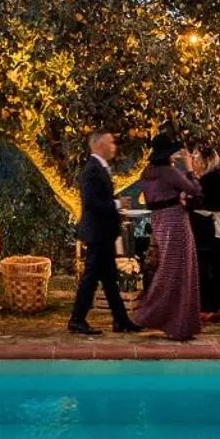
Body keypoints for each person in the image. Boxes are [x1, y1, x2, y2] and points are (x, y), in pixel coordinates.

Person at [134, 136, 202, 341]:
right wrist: (189, 168)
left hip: (158, 221)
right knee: (180, 269)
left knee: (169, 266)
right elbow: (194, 190)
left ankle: (166, 319)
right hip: (176, 220)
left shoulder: (147, 173)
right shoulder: (169, 172)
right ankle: (166, 320)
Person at [68, 132, 137, 336]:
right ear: (98, 145)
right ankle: (77, 319)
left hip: (103, 232)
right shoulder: (92, 170)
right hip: (97, 232)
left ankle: (120, 319)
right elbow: (91, 203)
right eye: (110, 142)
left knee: (108, 278)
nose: (114, 146)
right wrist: (117, 204)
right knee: (92, 277)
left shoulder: (100, 168)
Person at [189, 142, 220, 323]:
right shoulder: (214, 178)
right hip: (217, 230)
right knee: (216, 269)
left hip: (210, 230)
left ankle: (207, 307)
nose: (194, 162)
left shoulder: (209, 180)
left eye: (196, 159)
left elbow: (202, 202)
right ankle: (219, 306)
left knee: (207, 269)